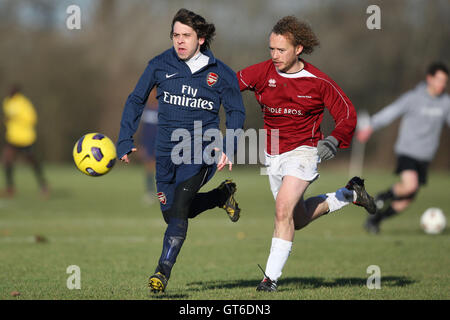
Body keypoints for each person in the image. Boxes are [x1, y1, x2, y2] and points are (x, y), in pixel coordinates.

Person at [237, 16, 376, 292]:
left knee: (281, 211)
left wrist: (336, 139)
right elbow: (226, 86)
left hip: (304, 152)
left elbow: (347, 113)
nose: (275, 56)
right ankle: (348, 194)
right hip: (273, 154)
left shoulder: (318, 81)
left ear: (298, 49)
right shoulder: (262, 72)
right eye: (271, 49)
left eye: (281, 50)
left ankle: (270, 279)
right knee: (295, 220)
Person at [116, 9, 246, 293]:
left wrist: (230, 146)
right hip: (165, 155)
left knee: (180, 208)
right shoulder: (159, 64)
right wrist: (125, 138)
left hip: (201, 153)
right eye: (176, 35)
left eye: (186, 35)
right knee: (172, 213)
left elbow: (236, 110)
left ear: (200, 38)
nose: (180, 41)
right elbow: (136, 99)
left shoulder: (220, 73)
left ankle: (162, 272)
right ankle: (220, 196)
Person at [357, 62, 450, 234]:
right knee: (410, 185)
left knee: (406, 200)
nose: (441, 85)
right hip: (407, 151)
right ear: (429, 79)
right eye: (438, 80)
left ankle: (375, 220)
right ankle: (380, 198)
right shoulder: (413, 98)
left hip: (425, 157)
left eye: (444, 81)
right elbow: (391, 112)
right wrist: (370, 125)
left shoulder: (445, 103)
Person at [2, 84, 48, 198]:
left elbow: (32, 119)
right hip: (12, 138)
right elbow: (7, 117)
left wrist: (17, 117)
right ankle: (10, 187)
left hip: (26, 138)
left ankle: (43, 185)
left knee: (33, 162)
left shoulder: (24, 103)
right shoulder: (7, 102)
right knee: (7, 160)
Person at [138, 89, 158, 205]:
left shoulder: (164, 108)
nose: (151, 95)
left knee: (162, 168)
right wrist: (142, 144)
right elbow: (144, 129)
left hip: (160, 142)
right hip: (148, 142)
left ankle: (165, 193)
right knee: (149, 167)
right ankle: (150, 193)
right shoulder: (146, 109)